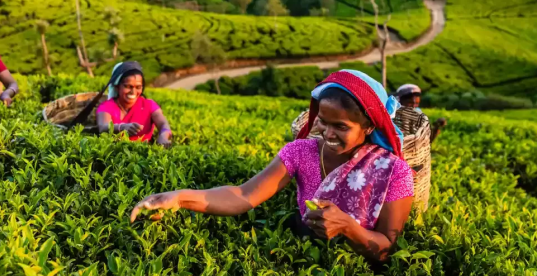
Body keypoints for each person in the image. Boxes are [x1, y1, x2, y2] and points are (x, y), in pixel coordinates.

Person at [131, 70, 414, 262]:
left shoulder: (393, 172)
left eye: (340, 126)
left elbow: (386, 248)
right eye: (323, 122)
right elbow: (243, 195)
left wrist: (348, 228)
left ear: (368, 126)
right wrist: (179, 197)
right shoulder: (300, 153)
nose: (328, 134)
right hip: (302, 256)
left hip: (358, 275)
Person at [96, 61, 172, 146]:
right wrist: (122, 127)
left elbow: (163, 124)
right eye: (128, 86)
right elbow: (103, 127)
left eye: (138, 87)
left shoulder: (149, 105)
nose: (133, 92)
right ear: (117, 87)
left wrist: (164, 135)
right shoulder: (106, 107)